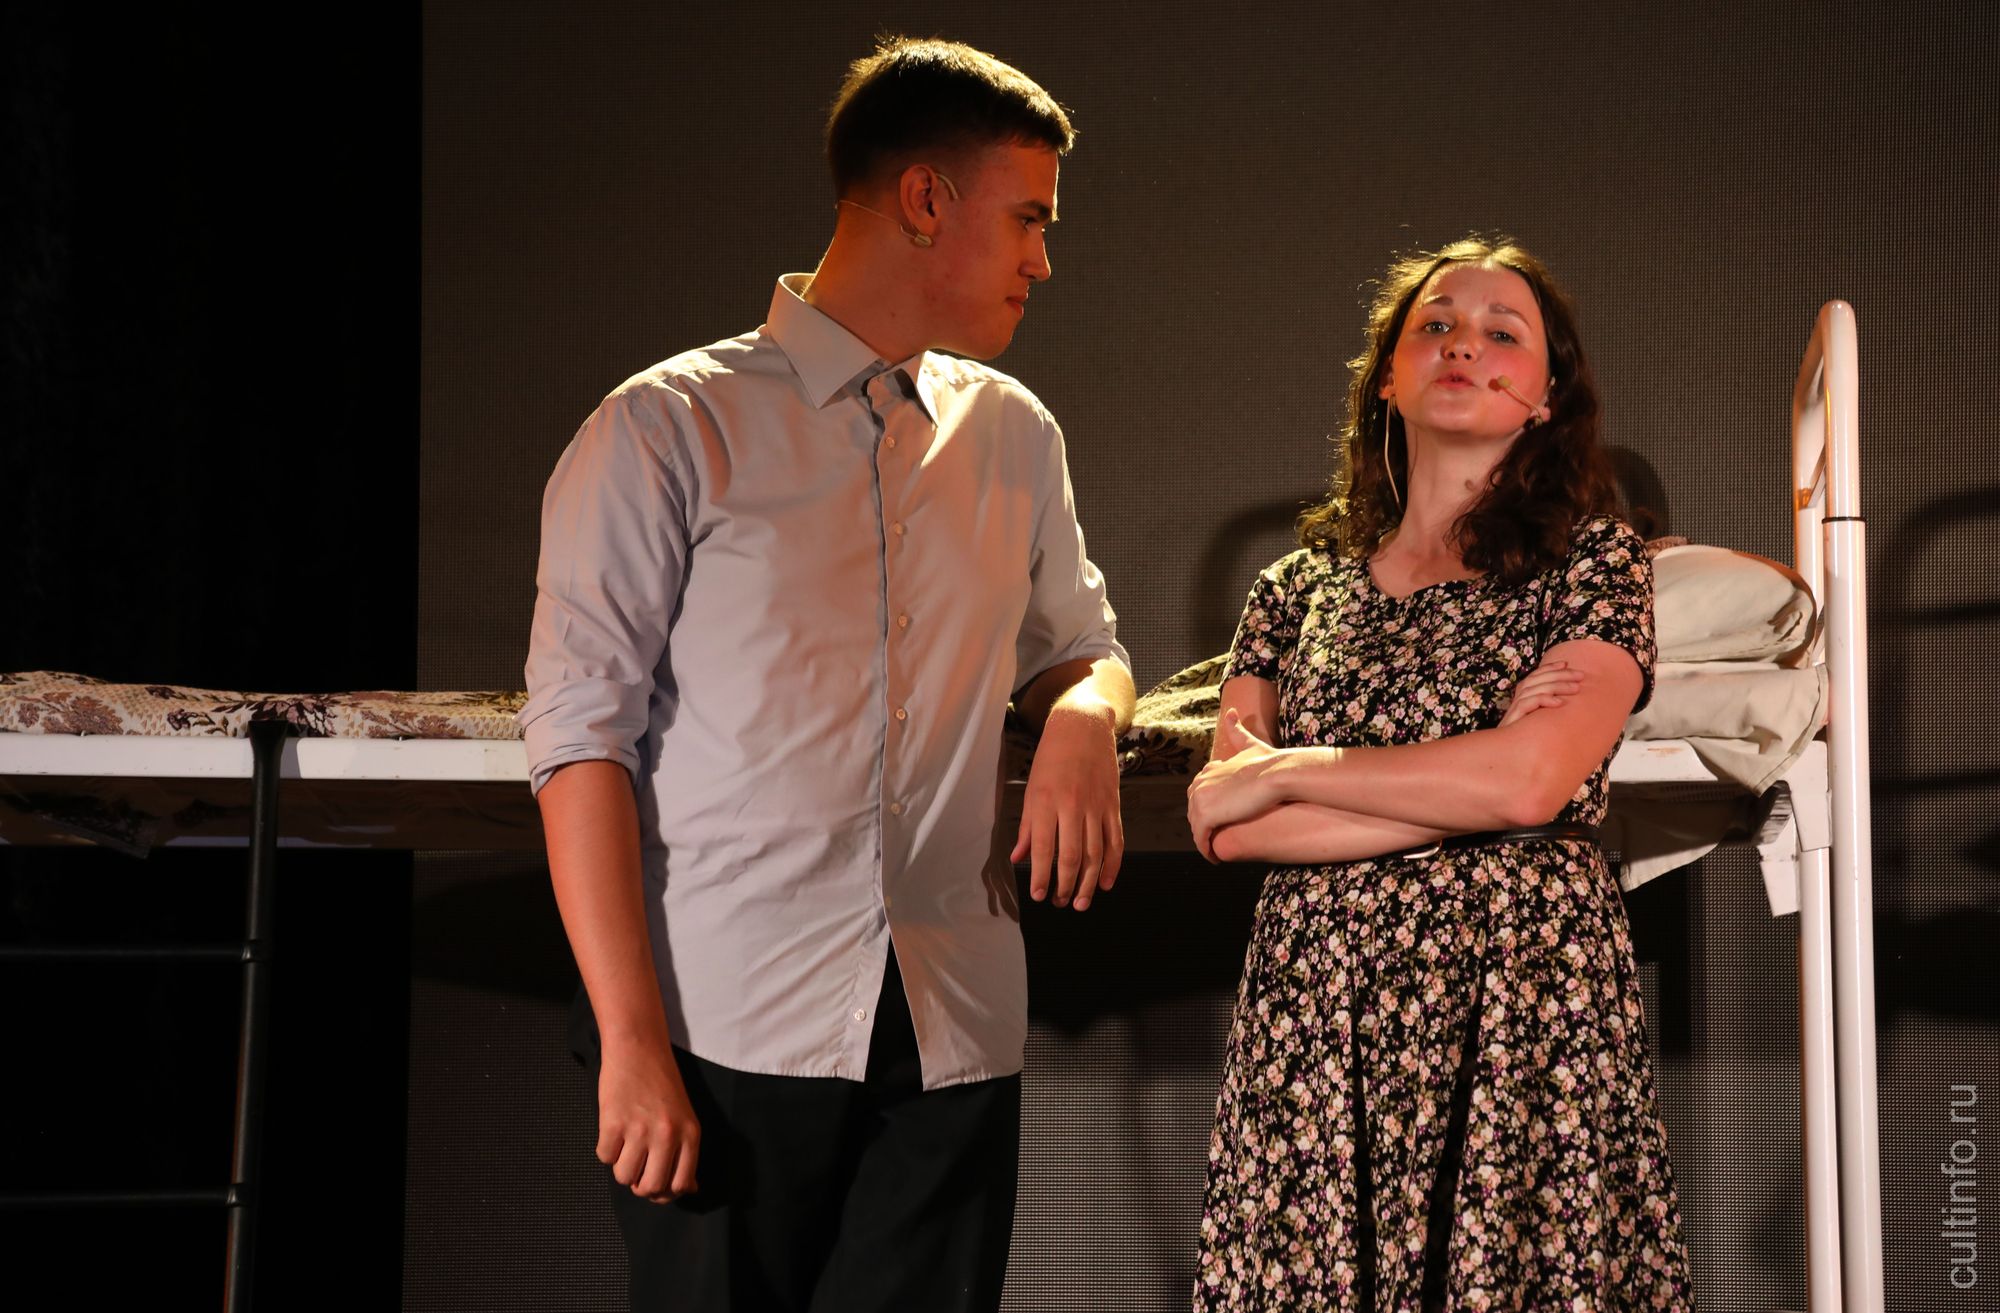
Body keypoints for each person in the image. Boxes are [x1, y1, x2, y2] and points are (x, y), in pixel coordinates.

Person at [518, 37, 1135, 1313]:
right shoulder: (665, 424)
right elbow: (578, 741)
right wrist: (628, 1041)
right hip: (718, 1027)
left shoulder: (1014, 433)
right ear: (925, 199)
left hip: (952, 1024)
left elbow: (1082, 647)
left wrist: (1084, 718)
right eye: (1027, 218)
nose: (1042, 259)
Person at [1184, 237, 1693, 1310]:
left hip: (1518, 990)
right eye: (1435, 325)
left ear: (1544, 396)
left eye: (1502, 332)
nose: (1465, 343)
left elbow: (1529, 785)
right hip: (1319, 1005)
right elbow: (1227, 819)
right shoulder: (1293, 590)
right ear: (1387, 378)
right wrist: (1465, 783)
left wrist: (1296, 768)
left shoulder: (1592, 564)